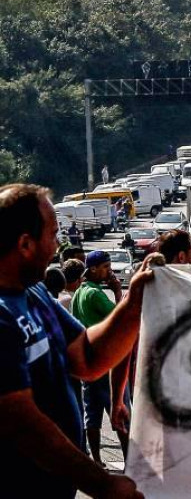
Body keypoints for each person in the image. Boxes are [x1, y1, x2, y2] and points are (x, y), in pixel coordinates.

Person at [0, 183, 148, 498]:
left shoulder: (34, 292)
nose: (58, 246)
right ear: (25, 243)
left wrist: (134, 302)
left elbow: (88, 358)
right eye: (53, 235)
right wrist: (103, 484)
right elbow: (21, 422)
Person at [72, 251, 130, 468]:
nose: (110, 271)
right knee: (119, 413)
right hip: (106, 364)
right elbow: (120, 320)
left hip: (89, 364)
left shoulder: (80, 291)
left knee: (92, 414)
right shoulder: (95, 294)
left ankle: (96, 460)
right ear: (93, 268)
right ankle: (129, 462)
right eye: (105, 267)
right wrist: (117, 291)